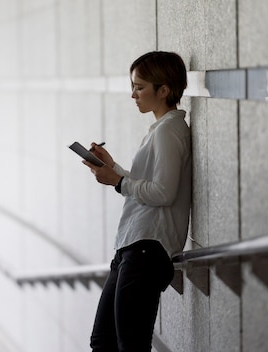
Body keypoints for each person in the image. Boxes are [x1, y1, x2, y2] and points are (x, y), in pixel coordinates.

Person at [82, 51, 192, 351]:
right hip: (131, 249)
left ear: (164, 90)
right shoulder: (160, 130)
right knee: (103, 342)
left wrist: (118, 181)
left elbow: (163, 192)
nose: (133, 94)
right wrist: (113, 167)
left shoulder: (170, 130)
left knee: (129, 345)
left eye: (139, 87)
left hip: (146, 251)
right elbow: (150, 185)